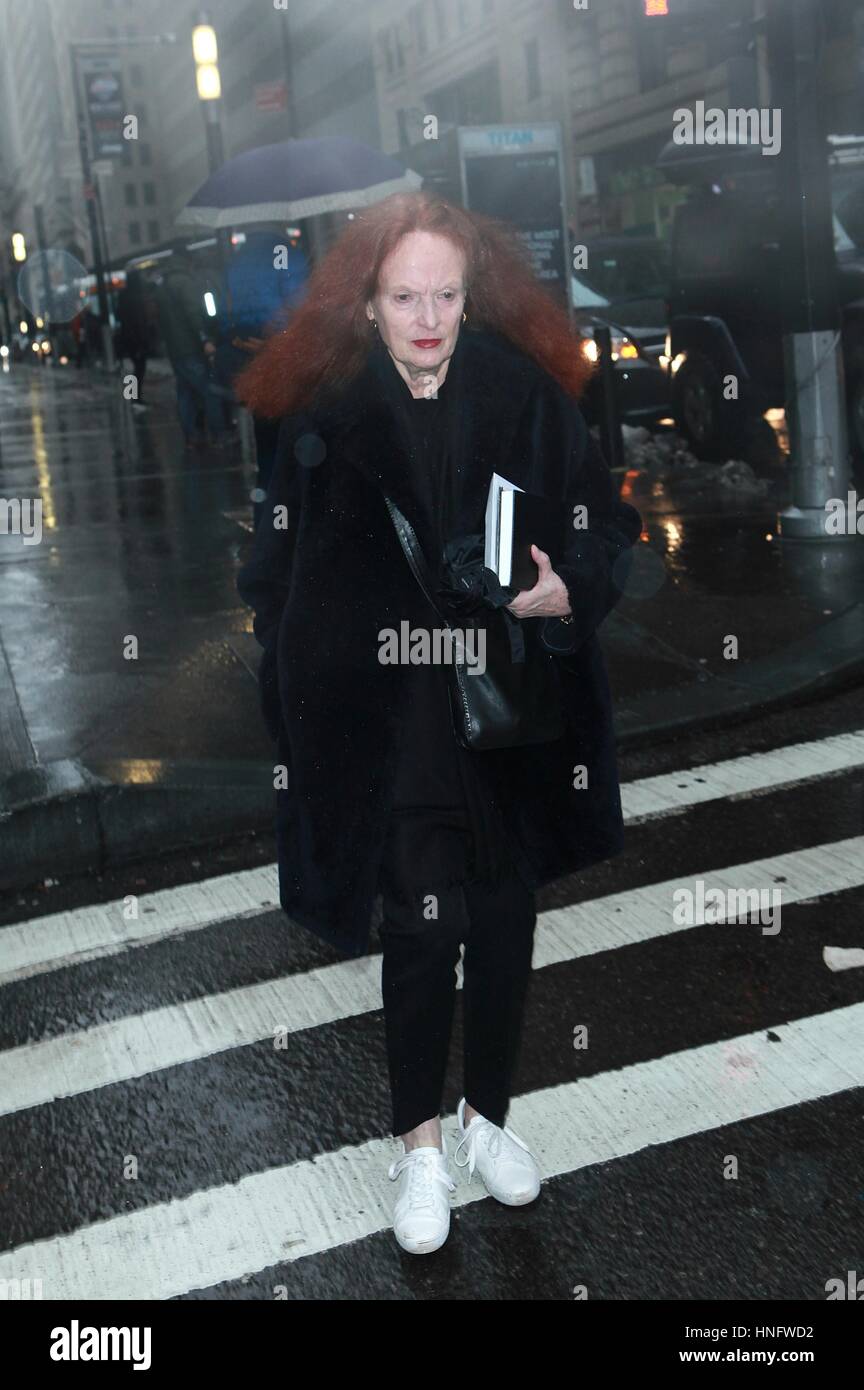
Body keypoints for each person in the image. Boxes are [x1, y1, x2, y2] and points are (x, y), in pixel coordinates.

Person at [234, 191, 643, 1256]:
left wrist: (567, 592)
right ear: (366, 305)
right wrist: (295, 693)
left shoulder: (526, 397)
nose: (428, 316)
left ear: (473, 295)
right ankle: (418, 1145)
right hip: (391, 712)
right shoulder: (321, 418)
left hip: (509, 705)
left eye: (447, 295)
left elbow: (607, 523)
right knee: (423, 928)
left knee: (506, 921)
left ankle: (485, 1119)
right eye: (406, 295)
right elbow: (272, 575)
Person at [153, 246, 232, 449]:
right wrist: (205, 339)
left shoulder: (163, 286)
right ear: (187, 261)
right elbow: (193, 314)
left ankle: (192, 436)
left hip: (175, 350)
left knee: (185, 393)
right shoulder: (186, 283)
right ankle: (220, 434)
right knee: (209, 391)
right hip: (191, 348)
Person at [116, 269, 157, 409]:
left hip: (127, 338)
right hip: (137, 338)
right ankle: (135, 398)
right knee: (139, 368)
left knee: (133, 369)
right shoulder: (136, 297)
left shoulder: (123, 296)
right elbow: (139, 321)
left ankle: (131, 397)